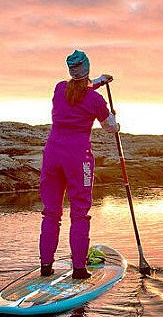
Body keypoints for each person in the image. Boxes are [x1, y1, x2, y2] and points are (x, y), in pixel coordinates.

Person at [40, 50, 120, 279]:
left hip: (52, 156)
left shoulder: (59, 89)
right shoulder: (95, 100)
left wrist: (100, 81)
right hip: (78, 159)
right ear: (87, 70)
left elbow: (79, 87)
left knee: (51, 213)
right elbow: (109, 127)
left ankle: (46, 265)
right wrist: (116, 123)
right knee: (80, 213)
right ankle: (79, 268)